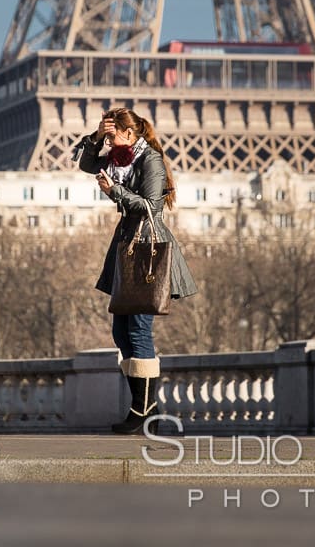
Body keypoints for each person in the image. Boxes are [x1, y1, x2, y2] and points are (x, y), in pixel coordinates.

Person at [77, 108, 197, 434]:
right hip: (127, 247)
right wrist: (97, 137)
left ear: (130, 134)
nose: (111, 141)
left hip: (146, 252)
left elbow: (151, 206)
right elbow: (86, 164)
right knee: (120, 331)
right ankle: (150, 407)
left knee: (138, 330)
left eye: (114, 135)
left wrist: (114, 192)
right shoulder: (120, 159)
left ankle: (140, 410)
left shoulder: (150, 161)